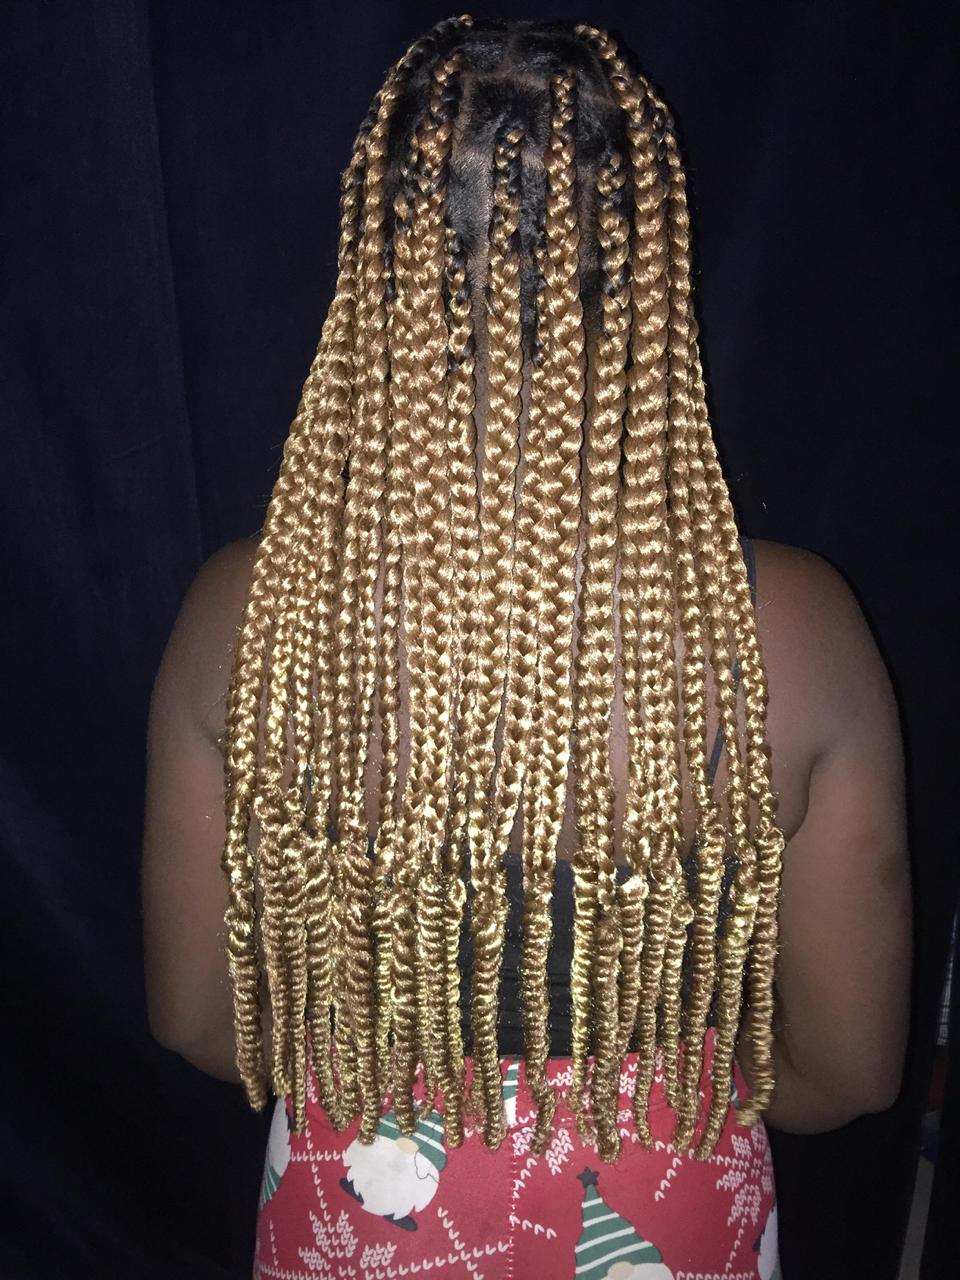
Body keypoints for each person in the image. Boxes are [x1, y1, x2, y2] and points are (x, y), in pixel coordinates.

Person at [142, 16, 911, 1277]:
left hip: (355, 1219)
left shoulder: (249, 616)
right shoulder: (794, 631)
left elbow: (198, 1020)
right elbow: (848, 1072)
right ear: (650, 259)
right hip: (668, 1219)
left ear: (377, 261)